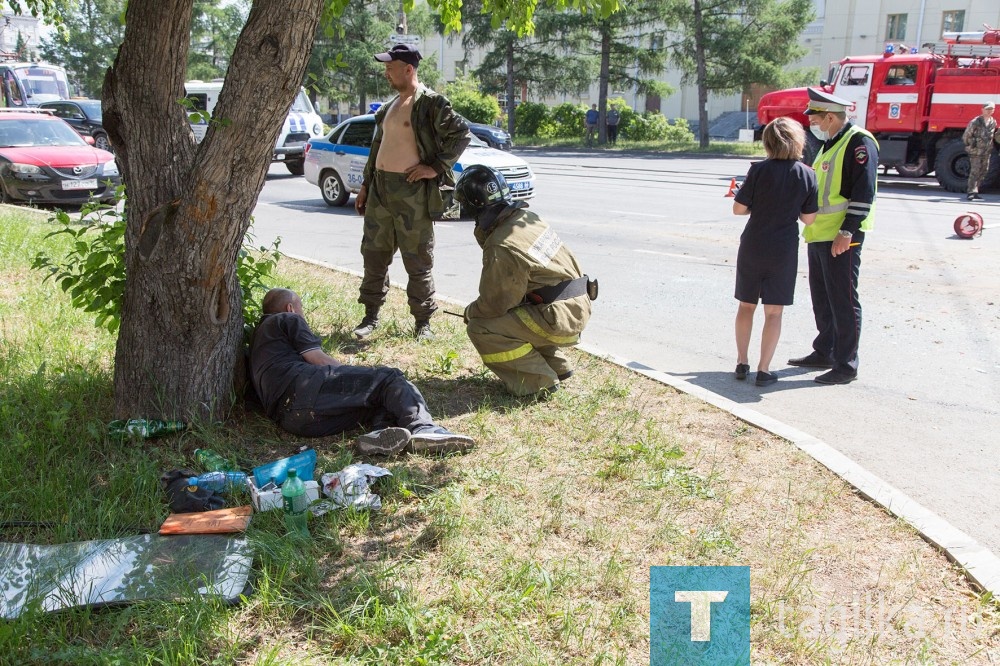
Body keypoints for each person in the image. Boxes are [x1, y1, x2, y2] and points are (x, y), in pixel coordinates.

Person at [249, 288, 474, 456]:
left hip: (295, 421)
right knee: (388, 378)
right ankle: (424, 429)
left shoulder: (259, 337)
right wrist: (356, 373)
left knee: (376, 401)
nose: (302, 314)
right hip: (305, 391)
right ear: (291, 308)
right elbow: (317, 359)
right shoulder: (286, 319)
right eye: (301, 309)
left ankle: (378, 435)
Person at [353, 44, 471, 341]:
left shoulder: (430, 103)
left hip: (412, 193)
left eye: (390, 68)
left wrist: (434, 167)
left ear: (408, 69)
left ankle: (423, 323)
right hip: (381, 191)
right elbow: (376, 149)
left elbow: (461, 134)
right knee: (374, 255)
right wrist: (366, 186)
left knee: (418, 260)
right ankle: (370, 316)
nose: (386, 73)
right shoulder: (388, 106)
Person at [454, 165, 595, 396]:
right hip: (575, 306)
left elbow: (495, 303)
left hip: (558, 317)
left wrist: (470, 312)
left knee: (482, 327)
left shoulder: (501, 244)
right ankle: (557, 366)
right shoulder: (526, 219)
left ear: (474, 206)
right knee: (521, 313)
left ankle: (538, 382)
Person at [788, 88, 878, 385]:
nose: (813, 124)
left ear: (829, 116)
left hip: (842, 235)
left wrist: (847, 230)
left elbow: (863, 192)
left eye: (815, 118)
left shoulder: (859, 142)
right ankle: (824, 350)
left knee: (843, 299)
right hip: (819, 234)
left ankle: (846, 365)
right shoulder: (831, 144)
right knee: (823, 298)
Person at [732, 118, 818, 387]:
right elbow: (808, 219)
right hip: (783, 248)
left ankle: (741, 362)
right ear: (798, 142)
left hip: (754, 244)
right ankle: (764, 369)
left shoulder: (758, 171)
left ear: (767, 142)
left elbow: (738, 209)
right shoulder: (807, 174)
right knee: (774, 312)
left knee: (746, 305)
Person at [962, 101, 997, 201]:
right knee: (975, 171)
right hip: (976, 151)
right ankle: (970, 192)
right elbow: (966, 136)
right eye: (987, 109)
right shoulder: (976, 122)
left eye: (991, 109)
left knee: (983, 171)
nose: (989, 111)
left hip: (986, 151)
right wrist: (972, 146)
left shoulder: (993, 122)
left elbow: (993, 136)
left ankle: (976, 190)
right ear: (982, 110)